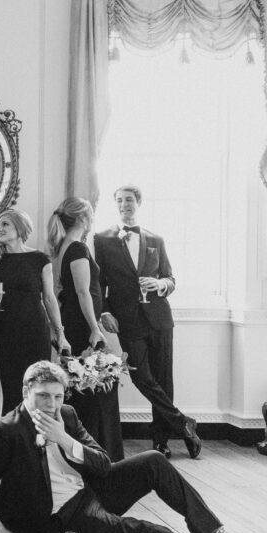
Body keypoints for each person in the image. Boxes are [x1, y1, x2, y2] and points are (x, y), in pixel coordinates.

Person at [0, 361, 267, 533]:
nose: (52, 406)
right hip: (61, 519)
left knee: (153, 461)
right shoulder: (4, 431)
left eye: (58, 396)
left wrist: (65, 440)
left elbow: (103, 465)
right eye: (43, 397)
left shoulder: (66, 415)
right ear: (25, 392)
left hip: (90, 492)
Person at [94, 185, 201, 460]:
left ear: (138, 202)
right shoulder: (102, 239)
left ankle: (161, 441)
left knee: (163, 380)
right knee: (142, 376)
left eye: (129, 200)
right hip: (127, 320)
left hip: (160, 318)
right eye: (119, 200)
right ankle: (183, 423)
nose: (124, 205)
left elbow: (171, 279)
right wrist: (104, 311)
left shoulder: (156, 239)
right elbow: (99, 282)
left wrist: (160, 283)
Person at [47, 196, 122, 460]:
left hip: (73, 322)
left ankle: (86, 451)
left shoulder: (62, 247)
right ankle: (101, 453)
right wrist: (95, 328)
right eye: (90, 214)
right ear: (83, 218)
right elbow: (82, 291)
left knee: (87, 387)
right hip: (81, 325)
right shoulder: (77, 248)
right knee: (95, 388)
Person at [0, 208, 69, 414]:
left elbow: (49, 299)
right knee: (13, 387)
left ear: (20, 227)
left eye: (5, 224)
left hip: (35, 330)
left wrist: (60, 334)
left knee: (39, 385)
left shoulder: (39, 259)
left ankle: (41, 437)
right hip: (6, 331)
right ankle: (13, 438)